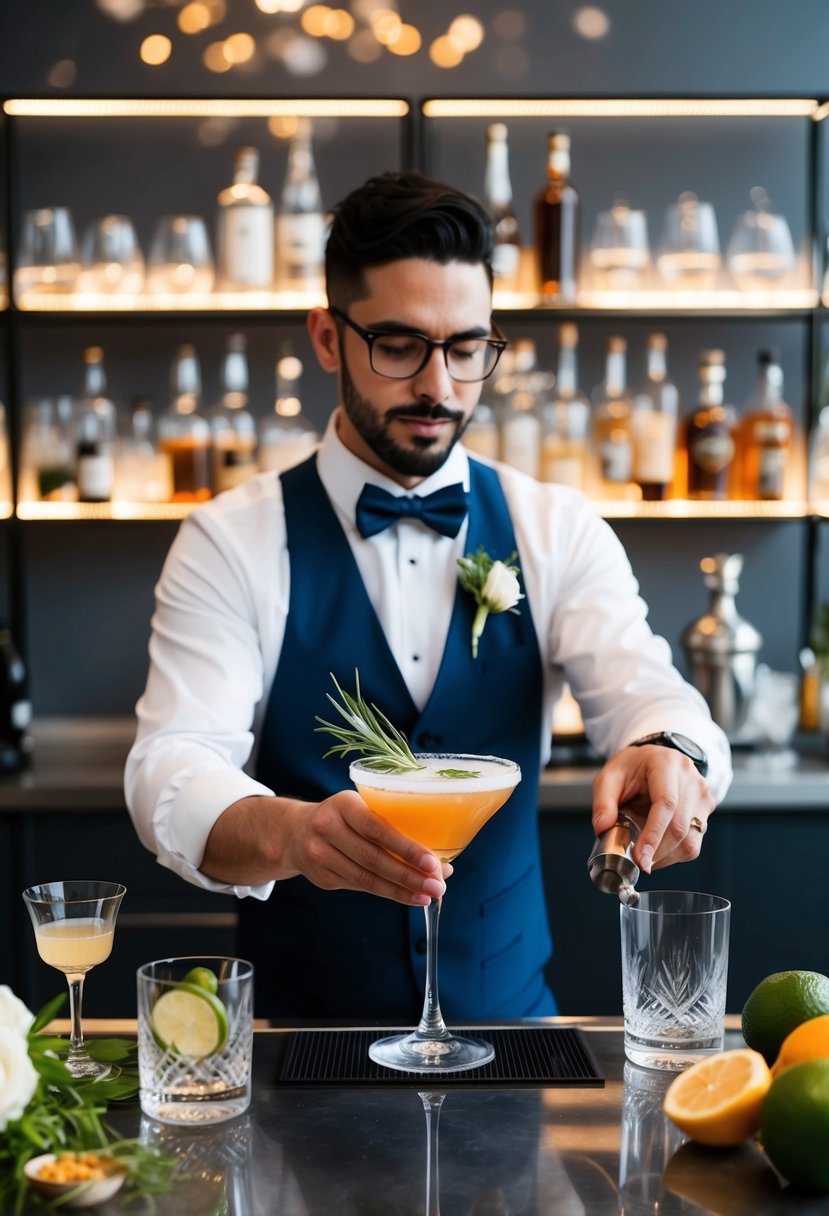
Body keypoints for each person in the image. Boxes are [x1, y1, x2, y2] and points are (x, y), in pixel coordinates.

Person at [125, 170, 731, 1021]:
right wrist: (293, 835)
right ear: (328, 338)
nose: (440, 387)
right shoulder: (232, 538)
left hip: (513, 1036)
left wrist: (671, 749)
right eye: (401, 345)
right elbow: (169, 768)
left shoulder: (554, 525)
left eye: (466, 347)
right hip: (302, 1048)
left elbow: (647, 688)